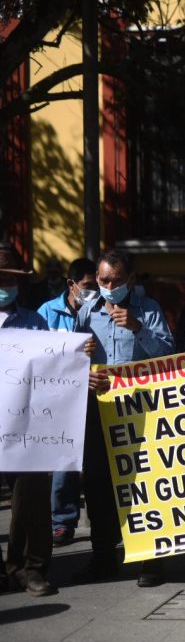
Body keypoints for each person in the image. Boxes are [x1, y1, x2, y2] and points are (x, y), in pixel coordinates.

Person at [72, 249, 175, 588]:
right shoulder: (86, 312)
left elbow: (168, 355)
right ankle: (103, 557)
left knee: (146, 484)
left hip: (140, 410)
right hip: (100, 409)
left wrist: (138, 328)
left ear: (130, 280)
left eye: (116, 280)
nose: (110, 286)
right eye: (104, 281)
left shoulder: (149, 310)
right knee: (99, 486)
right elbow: (70, 361)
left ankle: (151, 559)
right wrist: (82, 368)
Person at [0, 243, 57, 596]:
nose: (6, 284)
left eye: (10, 278)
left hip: (25, 424)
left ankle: (29, 567)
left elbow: (53, 368)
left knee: (31, 497)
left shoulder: (35, 321)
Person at [37, 257, 98, 547]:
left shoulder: (102, 310)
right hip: (61, 399)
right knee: (64, 463)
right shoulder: (46, 313)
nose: (93, 292)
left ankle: (101, 521)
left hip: (97, 393)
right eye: (87, 286)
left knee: (98, 462)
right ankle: (62, 522)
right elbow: (37, 355)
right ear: (71, 284)